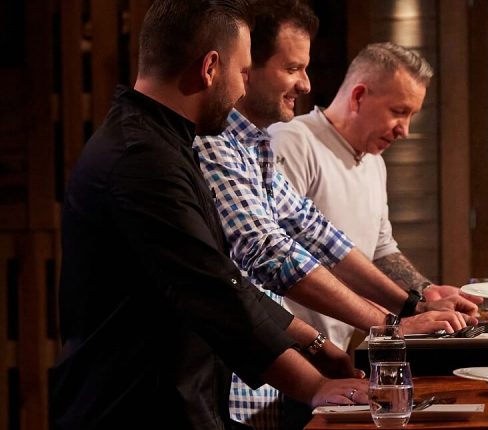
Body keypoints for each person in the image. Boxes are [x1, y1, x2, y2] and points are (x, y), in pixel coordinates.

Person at [51, 1, 367, 429]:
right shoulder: (142, 158)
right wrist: (314, 386)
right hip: (133, 410)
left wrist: (314, 344)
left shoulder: (161, 142)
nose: (242, 91)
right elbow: (212, 289)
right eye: (242, 73)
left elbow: (225, 275)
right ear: (210, 68)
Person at [190, 2, 478, 428]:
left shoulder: (255, 146)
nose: (306, 83)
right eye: (293, 68)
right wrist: (389, 324)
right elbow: (270, 253)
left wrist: (414, 303)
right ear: (244, 68)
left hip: (290, 369)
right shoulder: (253, 141)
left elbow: (320, 233)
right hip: (254, 373)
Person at [267, 42, 479, 355]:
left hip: (331, 351)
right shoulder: (293, 141)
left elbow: (380, 250)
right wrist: (398, 316)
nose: (405, 130)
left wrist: (425, 292)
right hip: (284, 350)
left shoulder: (374, 162)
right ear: (358, 96)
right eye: (399, 112)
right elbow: (278, 255)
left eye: (411, 116)